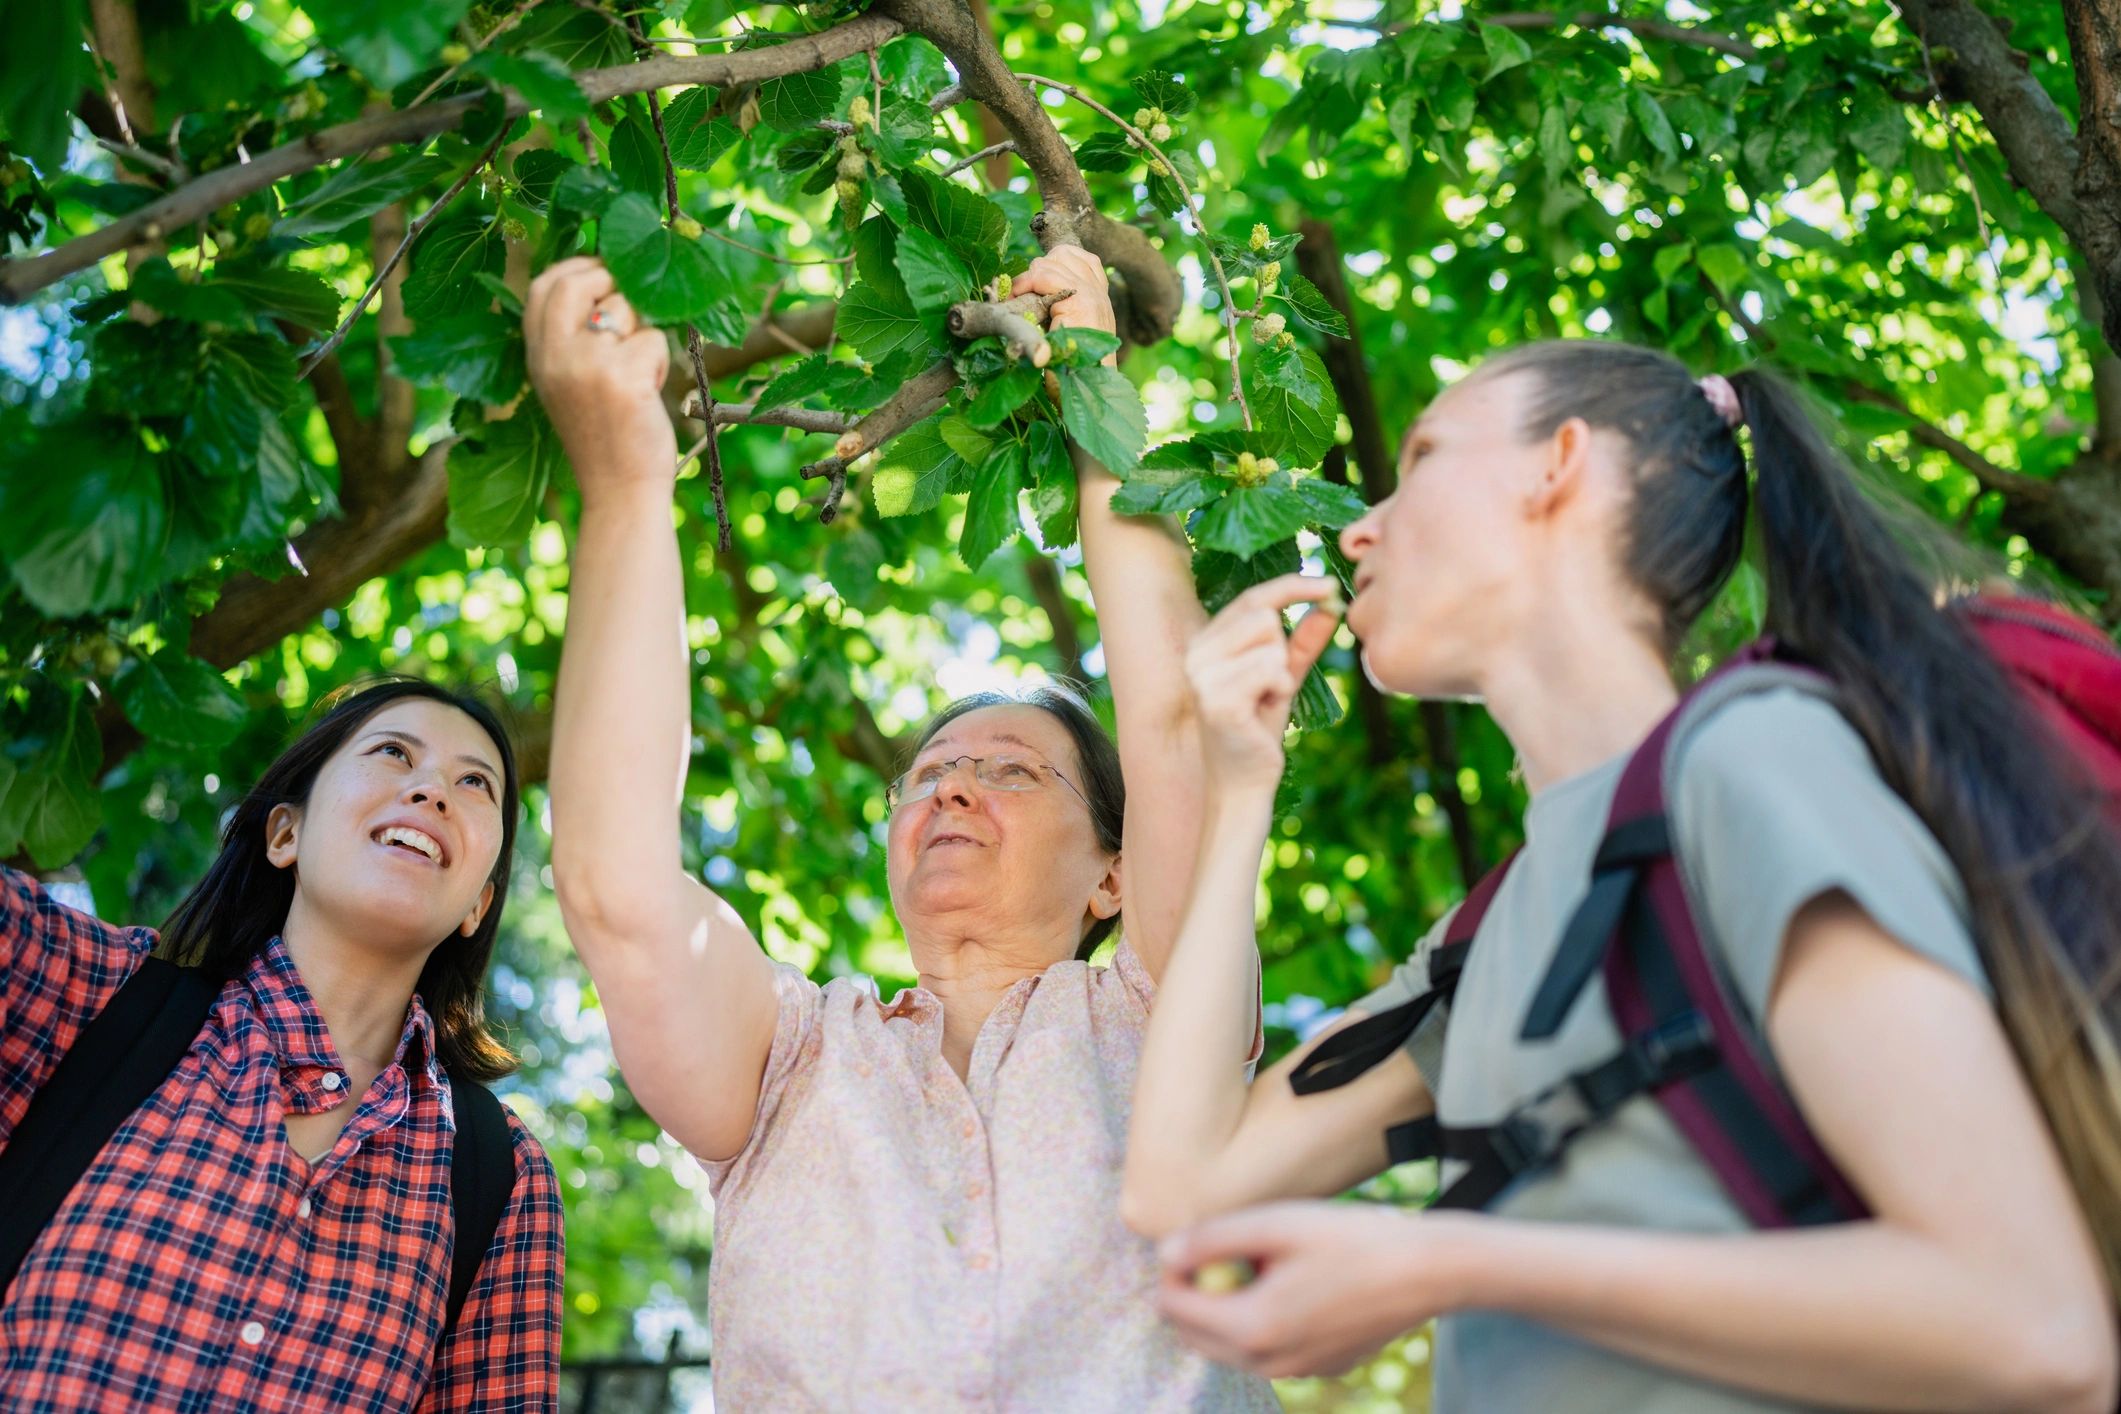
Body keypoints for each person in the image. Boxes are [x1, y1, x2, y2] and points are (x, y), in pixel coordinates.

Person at [1122, 340, 2121, 1412]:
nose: (1362, 526)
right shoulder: (1484, 937)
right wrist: (1240, 792)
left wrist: (1443, 1265)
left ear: (1559, 464)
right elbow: (1181, 1189)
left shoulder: (1750, 756)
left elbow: (2035, 1327)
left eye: (1421, 459)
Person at [527, 247, 1278, 1409]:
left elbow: (1179, 737)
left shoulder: (1157, 1012)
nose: (953, 788)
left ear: (1113, 877)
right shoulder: (792, 1060)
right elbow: (617, 889)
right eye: (928, 774)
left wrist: (1089, 385)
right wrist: (627, 482)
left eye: (1012, 771)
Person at [0, 679, 564, 1411]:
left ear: (477, 906)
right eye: (394, 753)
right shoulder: (88, 989)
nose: (432, 792)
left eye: (473, 782)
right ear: (283, 834)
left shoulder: (501, 1177)